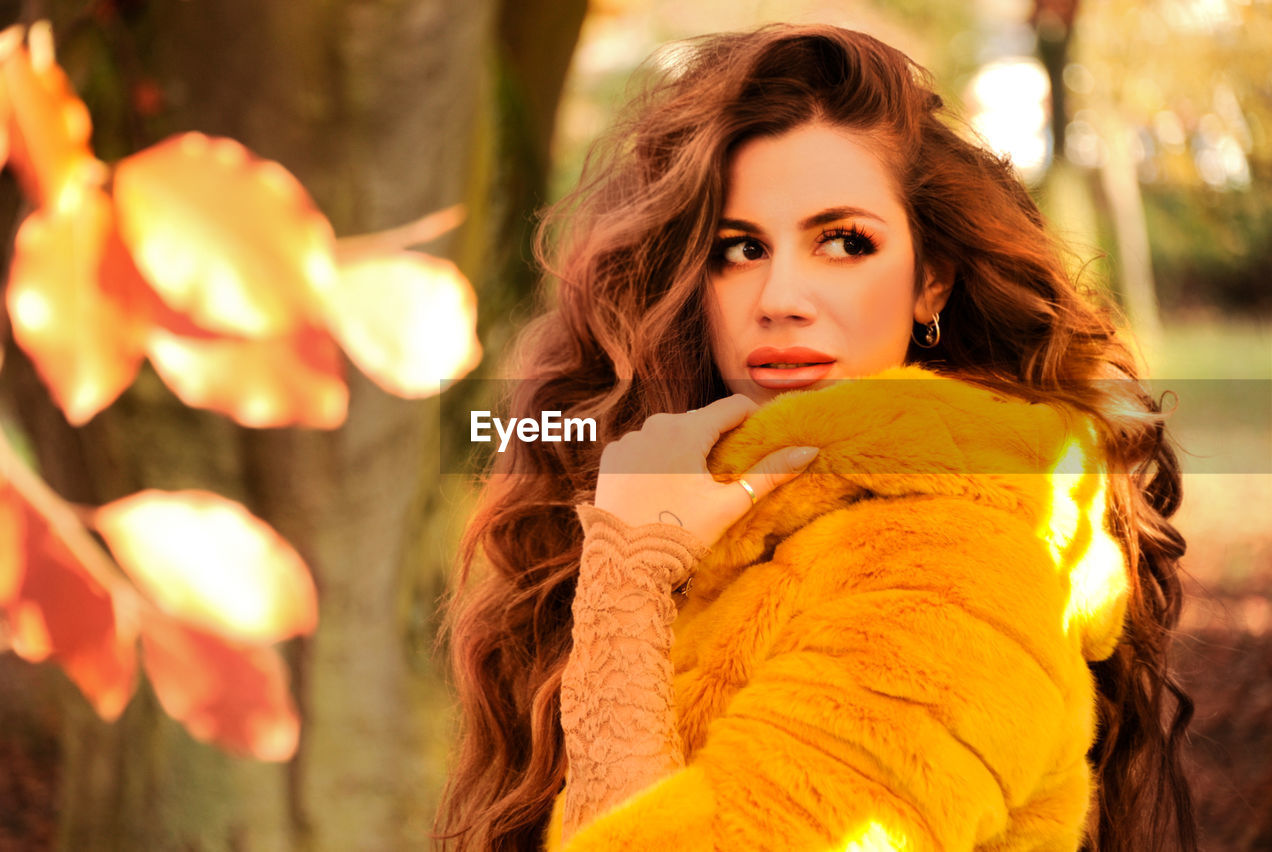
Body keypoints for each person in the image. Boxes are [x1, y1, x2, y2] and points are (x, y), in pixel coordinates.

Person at [435, 24, 1195, 852]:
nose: (782, 296)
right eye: (738, 249)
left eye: (843, 242)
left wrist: (627, 575)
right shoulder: (736, 515)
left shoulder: (953, 568)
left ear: (930, 281)